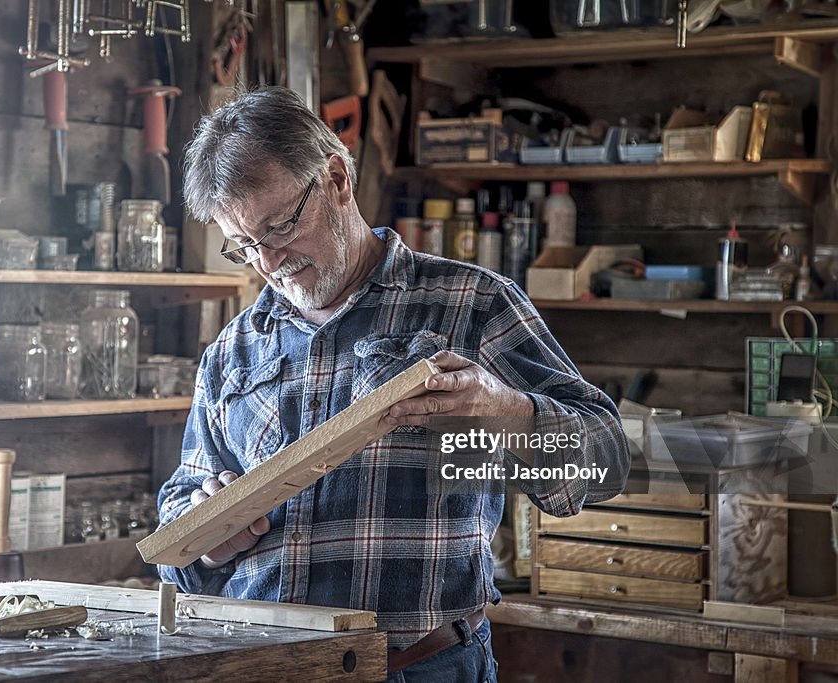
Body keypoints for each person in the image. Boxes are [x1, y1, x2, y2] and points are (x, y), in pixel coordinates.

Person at [157, 86, 629, 682]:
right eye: (246, 247)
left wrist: (508, 412)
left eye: (280, 227)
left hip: (419, 667)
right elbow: (180, 510)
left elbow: (606, 460)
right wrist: (204, 536)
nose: (269, 262)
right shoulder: (234, 349)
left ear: (335, 180)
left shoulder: (473, 304)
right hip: (266, 665)